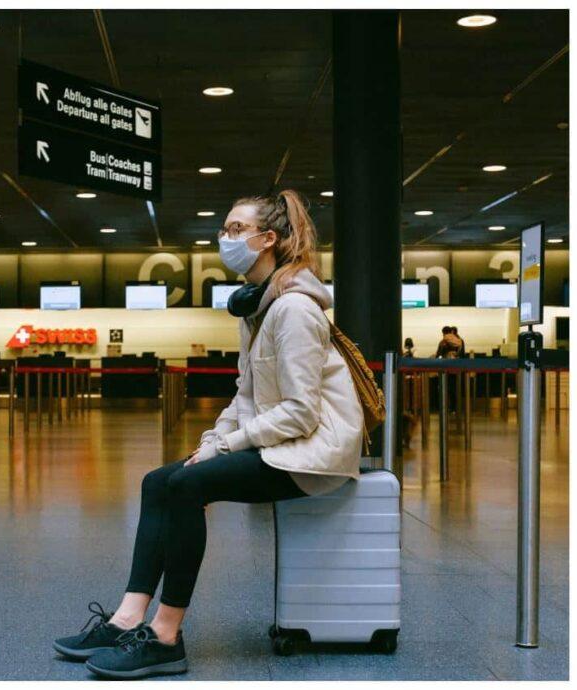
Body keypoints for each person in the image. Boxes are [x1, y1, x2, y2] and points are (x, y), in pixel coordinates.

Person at [53, 190, 364, 679]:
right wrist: (212, 440)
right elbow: (247, 395)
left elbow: (303, 413)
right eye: (224, 228)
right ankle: (126, 618)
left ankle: (165, 636)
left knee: (187, 485)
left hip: (311, 456)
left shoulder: (295, 311)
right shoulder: (258, 309)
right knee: (159, 480)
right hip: (280, 444)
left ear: (269, 240)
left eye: (236, 229)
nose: (225, 238)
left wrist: (228, 446)